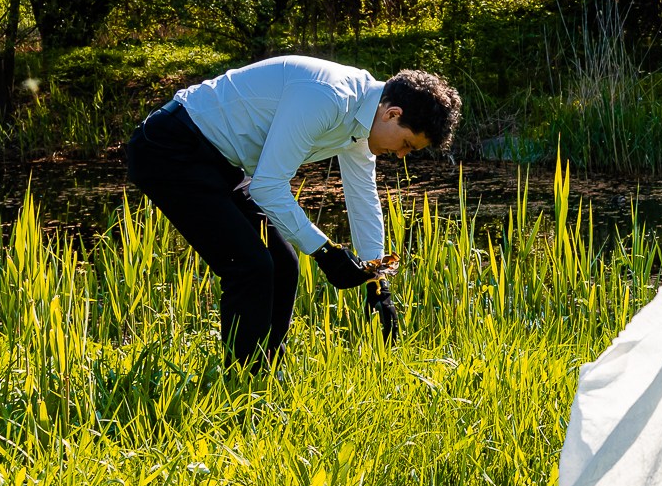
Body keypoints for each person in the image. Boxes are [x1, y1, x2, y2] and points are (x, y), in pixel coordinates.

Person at [124, 56, 461, 366]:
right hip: (169, 147)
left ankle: (269, 373)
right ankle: (245, 384)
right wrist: (326, 253)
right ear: (393, 114)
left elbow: (363, 196)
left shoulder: (362, 120)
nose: (401, 155)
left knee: (283, 263)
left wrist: (377, 282)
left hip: (216, 159)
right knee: (250, 267)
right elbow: (268, 186)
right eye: (406, 144)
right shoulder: (328, 97)